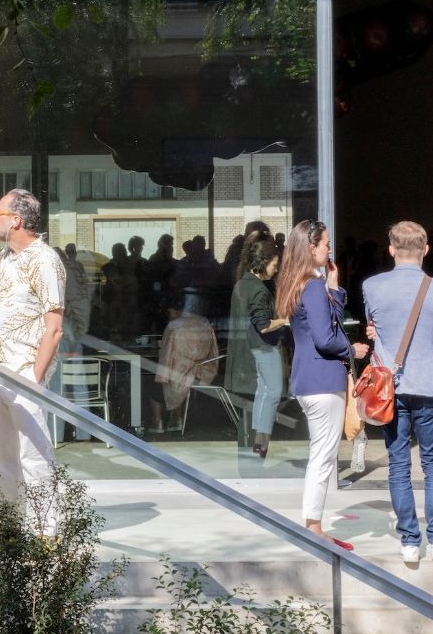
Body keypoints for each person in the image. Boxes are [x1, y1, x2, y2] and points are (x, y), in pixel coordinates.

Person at [0, 188, 66, 508]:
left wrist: (34, 377)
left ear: (16, 220)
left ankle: (45, 533)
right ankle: (12, 532)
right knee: (5, 458)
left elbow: (55, 328)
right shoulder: (7, 258)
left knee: (34, 458)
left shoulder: (44, 259)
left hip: (24, 372)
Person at [362, 220, 433, 565]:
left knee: (398, 464)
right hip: (428, 384)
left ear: (391, 249)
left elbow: (376, 328)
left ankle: (408, 540)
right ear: (426, 249)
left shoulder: (372, 286)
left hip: (392, 387)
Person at [278, 220, 369, 549]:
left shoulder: (298, 284)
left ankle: (313, 524)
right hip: (322, 379)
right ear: (311, 247)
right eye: (326, 244)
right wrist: (353, 349)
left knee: (321, 454)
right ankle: (313, 527)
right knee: (323, 457)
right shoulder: (311, 286)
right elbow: (327, 337)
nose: (330, 250)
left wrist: (334, 288)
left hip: (308, 378)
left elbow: (321, 325)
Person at [226, 239, 285, 458]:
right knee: (273, 392)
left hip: (249, 348)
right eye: (274, 264)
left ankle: (257, 441)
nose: (276, 268)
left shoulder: (242, 284)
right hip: (265, 348)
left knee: (263, 392)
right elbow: (264, 325)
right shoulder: (259, 290)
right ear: (264, 261)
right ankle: (262, 442)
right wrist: (285, 320)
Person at [152, 291, 218, 434]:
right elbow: (214, 351)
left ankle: (159, 423)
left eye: (168, 313)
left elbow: (165, 355)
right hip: (203, 372)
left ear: (173, 310)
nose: (168, 316)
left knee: (156, 383)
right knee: (177, 376)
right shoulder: (204, 322)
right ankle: (176, 419)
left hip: (181, 373)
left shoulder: (174, 326)